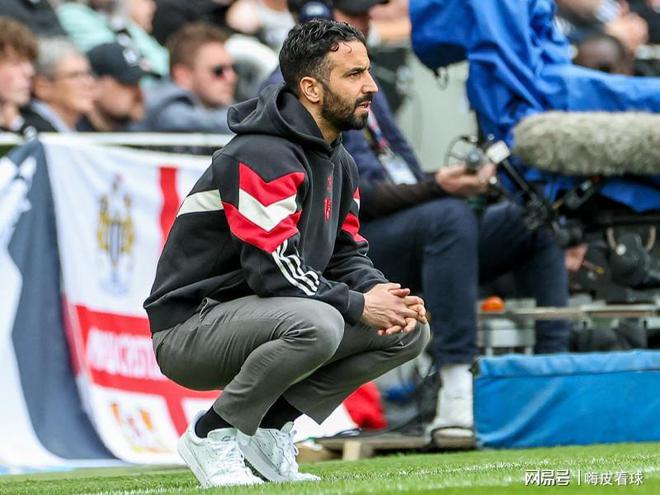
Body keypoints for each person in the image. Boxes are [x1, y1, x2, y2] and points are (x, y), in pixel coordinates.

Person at [264, 1, 570, 446]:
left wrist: (451, 182)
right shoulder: (293, 92)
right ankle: (455, 387)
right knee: (447, 216)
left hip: (411, 227)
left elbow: (400, 174)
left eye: (367, 15)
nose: (365, 26)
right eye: (353, 15)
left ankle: (551, 375)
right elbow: (350, 198)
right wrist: (439, 188)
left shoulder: (365, 86)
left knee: (531, 219)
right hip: (348, 250)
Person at [144, 19, 429, 487]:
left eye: (368, 71)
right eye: (354, 74)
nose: (371, 87)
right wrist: (359, 304)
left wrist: (383, 296)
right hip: (189, 329)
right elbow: (271, 269)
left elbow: (346, 254)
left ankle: (270, 428)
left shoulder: (339, 160)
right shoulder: (261, 153)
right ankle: (210, 433)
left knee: (407, 330)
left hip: (267, 314)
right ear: (311, 89)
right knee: (321, 322)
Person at [138, 22, 237, 132]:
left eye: (233, 68)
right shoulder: (166, 104)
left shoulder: (215, 107)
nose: (231, 78)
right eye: (218, 71)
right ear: (183, 76)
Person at [23, 38, 96, 133]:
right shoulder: (31, 130)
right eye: (75, 75)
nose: (88, 83)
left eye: (88, 74)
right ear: (42, 86)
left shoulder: (79, 127)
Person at [79, 42, 148, 131]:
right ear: (93, 85)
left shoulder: (134, 131)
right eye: (129, 84)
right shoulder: (68, 133)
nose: (141, 94)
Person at [0, 16, 37, 136]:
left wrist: (15, 124)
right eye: (16, 63)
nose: (29, 71)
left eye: (29, 62)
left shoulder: (28, 122)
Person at [0, 0, 66, 38]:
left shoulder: (41, 3)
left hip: (54, 40)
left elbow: (57, 28)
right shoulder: (6, 4)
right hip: (27, 43)